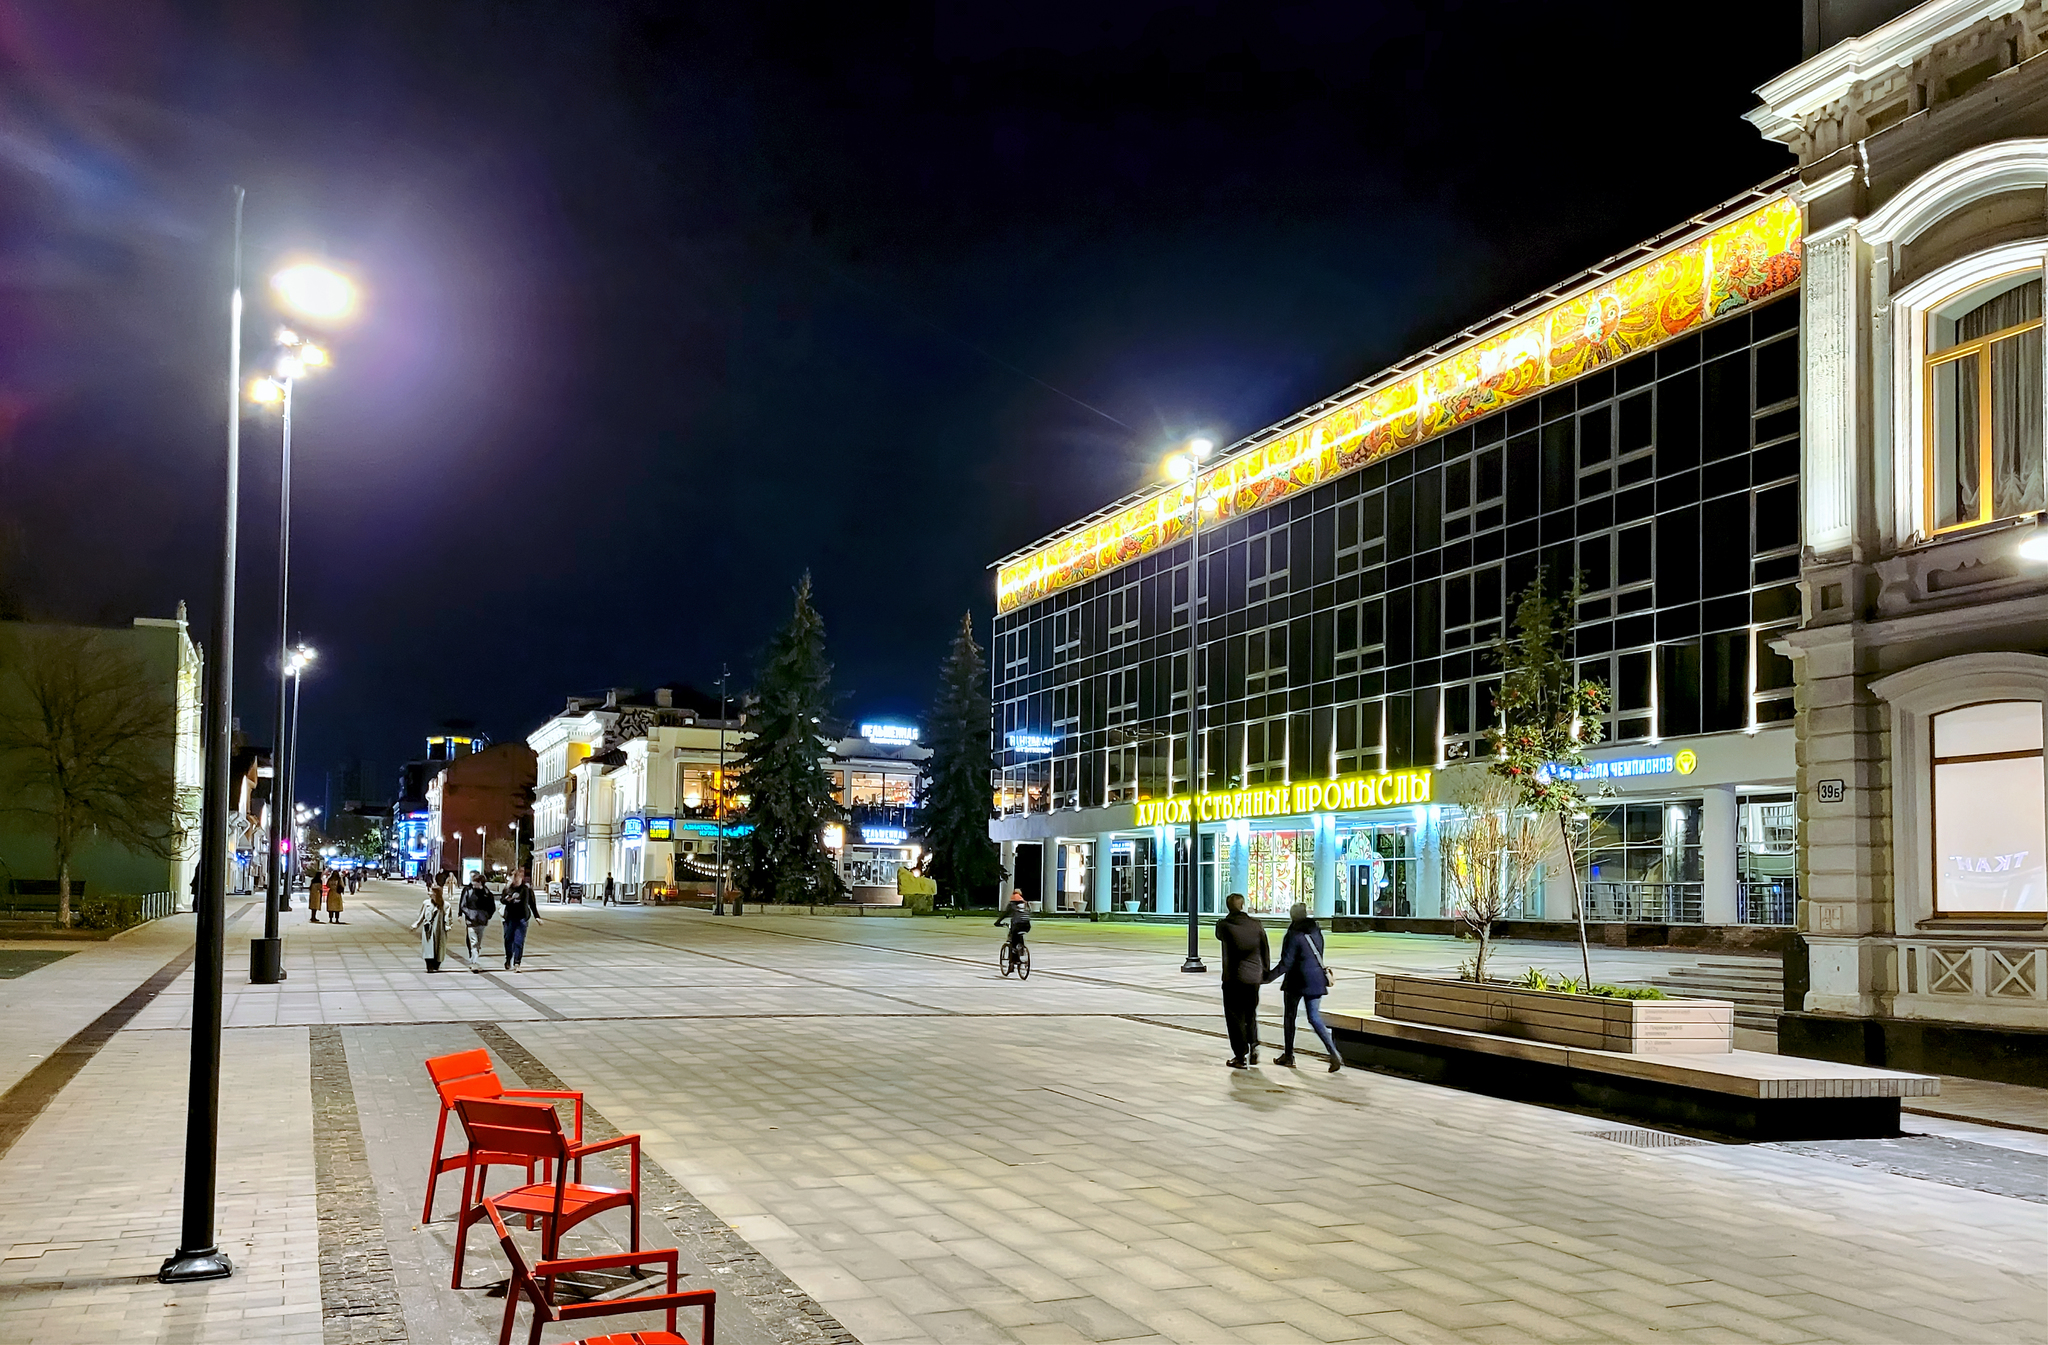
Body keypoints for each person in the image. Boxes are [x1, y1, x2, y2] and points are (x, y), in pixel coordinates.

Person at [1266, 902, 1342, 1072]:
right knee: (1314, 1017)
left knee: (1290, 1017)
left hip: (1296, 980)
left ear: (1293, 916)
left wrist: (1268, 977)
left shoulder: (1293, 934)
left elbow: (1287, 962)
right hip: (1315, 979)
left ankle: (1288, 1055)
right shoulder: (1316, 931)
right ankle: (1333, 1051)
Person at [1214, 892, 1270, 1068]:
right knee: (1250, 1013)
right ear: (1243, 905)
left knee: (1235, 1017)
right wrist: (1265, 972)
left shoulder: (1224, 925)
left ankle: (1240, 1055)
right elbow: (1264, 949)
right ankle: (1254, 1044)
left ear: (1227, 907)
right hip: (1254, 978)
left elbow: (1218, 935)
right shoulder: (1256, 925)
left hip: (1234, 978)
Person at [499, 868, 540, 972]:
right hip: (509, 918)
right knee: (508, 940)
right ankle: (508, 959)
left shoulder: (526, 889)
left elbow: (532, 903)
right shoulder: (508, 888)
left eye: (517, 878)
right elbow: (502, 900)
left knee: (519, 941)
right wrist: (507, 899)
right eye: (514, 878)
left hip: (522, 918)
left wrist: (537, 917)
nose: (515, 880)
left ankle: (517, 963)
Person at [459, 873, 496, 971]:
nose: (472, 883)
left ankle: (473, 959)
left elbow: (492, 908)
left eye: (474, 882)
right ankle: (474, 962)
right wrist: (469, 914)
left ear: (480, 882)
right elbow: (463, 905)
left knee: (477, 943)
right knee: (474, 942)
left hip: (482, 922)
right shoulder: (468, 891)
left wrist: (487, 916)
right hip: (471, 921)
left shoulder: (487, 894)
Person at [411, 882, 450, 971]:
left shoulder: (445, 905)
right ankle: (429, 965)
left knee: (439, 947)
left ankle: (437, 964)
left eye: (431, 891)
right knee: (428, 947)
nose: (429, 893)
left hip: (440, 929)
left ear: (436, 893)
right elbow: (422, 916)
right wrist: (416, 924)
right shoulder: (426, 903)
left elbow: (448, 918)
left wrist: (447, 926)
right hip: (428, 929)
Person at [993, 888, 1031, 965]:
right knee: (1019, 937)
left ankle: (1014, 957)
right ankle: (1021, 950)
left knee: (1013, 940)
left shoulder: (1012, 904)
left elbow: (1005, 914)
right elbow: (1028, 913)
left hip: (1017, 924)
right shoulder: (1026, 904)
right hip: (1027, 925)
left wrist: (998, 922)